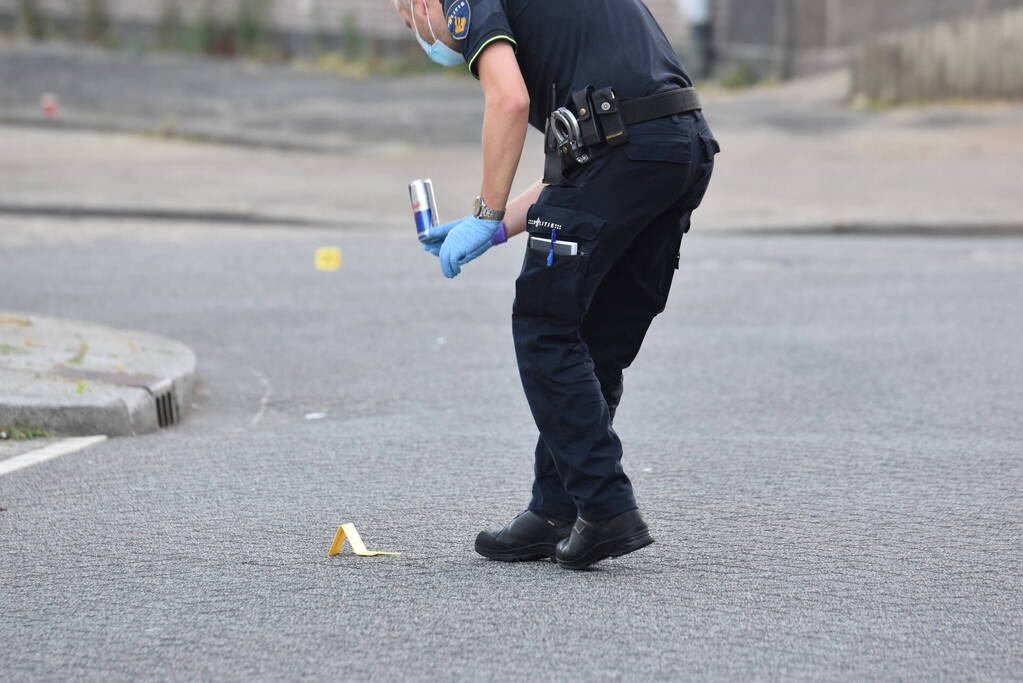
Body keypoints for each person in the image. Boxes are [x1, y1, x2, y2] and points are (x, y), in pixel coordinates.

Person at [394, 0, 719, 569]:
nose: (425, 33)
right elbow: (577, 167)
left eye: (410, 20)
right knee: (597, 339)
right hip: (676, 145)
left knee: (544, 326)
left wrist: (485, 210)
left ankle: (607, 507)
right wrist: (493, 232)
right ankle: (554, 511)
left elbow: (510, 99)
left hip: (620, 148)